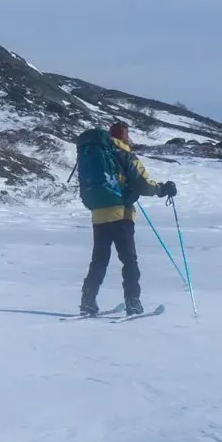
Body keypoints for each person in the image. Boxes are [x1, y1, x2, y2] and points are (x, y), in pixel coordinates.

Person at [81, 121, 178, 317]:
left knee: (99, 260)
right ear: (125, 136)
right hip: (121, 215)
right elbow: (144, 184)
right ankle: (133, 301)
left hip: (99, 215)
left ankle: (87, 301)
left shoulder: (96, 153)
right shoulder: (126, 155)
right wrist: (163, 189)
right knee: (129, 260)